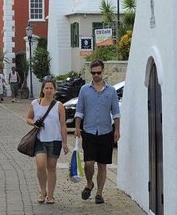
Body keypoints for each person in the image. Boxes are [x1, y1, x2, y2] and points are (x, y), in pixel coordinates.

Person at [74, 60, 120, 205]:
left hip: (106, 132)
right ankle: (89, 184)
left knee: (102, 165)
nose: (96, 75)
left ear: (103, 71)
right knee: (89, 163)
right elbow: (79, 110)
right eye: (93, 73)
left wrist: (117, 130)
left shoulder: (111, 91)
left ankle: (99, 194)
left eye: (98, 72)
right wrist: (76, 127)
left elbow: (116, 112)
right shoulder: (84, 90)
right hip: (89, 131)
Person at [26, 76, 69, 205]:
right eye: (47, 88)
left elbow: (63, 125)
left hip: (55, 140)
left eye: (51, 88)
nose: (49, 90)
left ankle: (50, 195)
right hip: (40, 139)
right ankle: (42, 191)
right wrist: (34, 123)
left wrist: (65, 142)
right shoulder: (35, 103)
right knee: (40, 165)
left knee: (51, 168)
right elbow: (28, 118)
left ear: (55, 90)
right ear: (43, 89)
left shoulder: (59, 106)